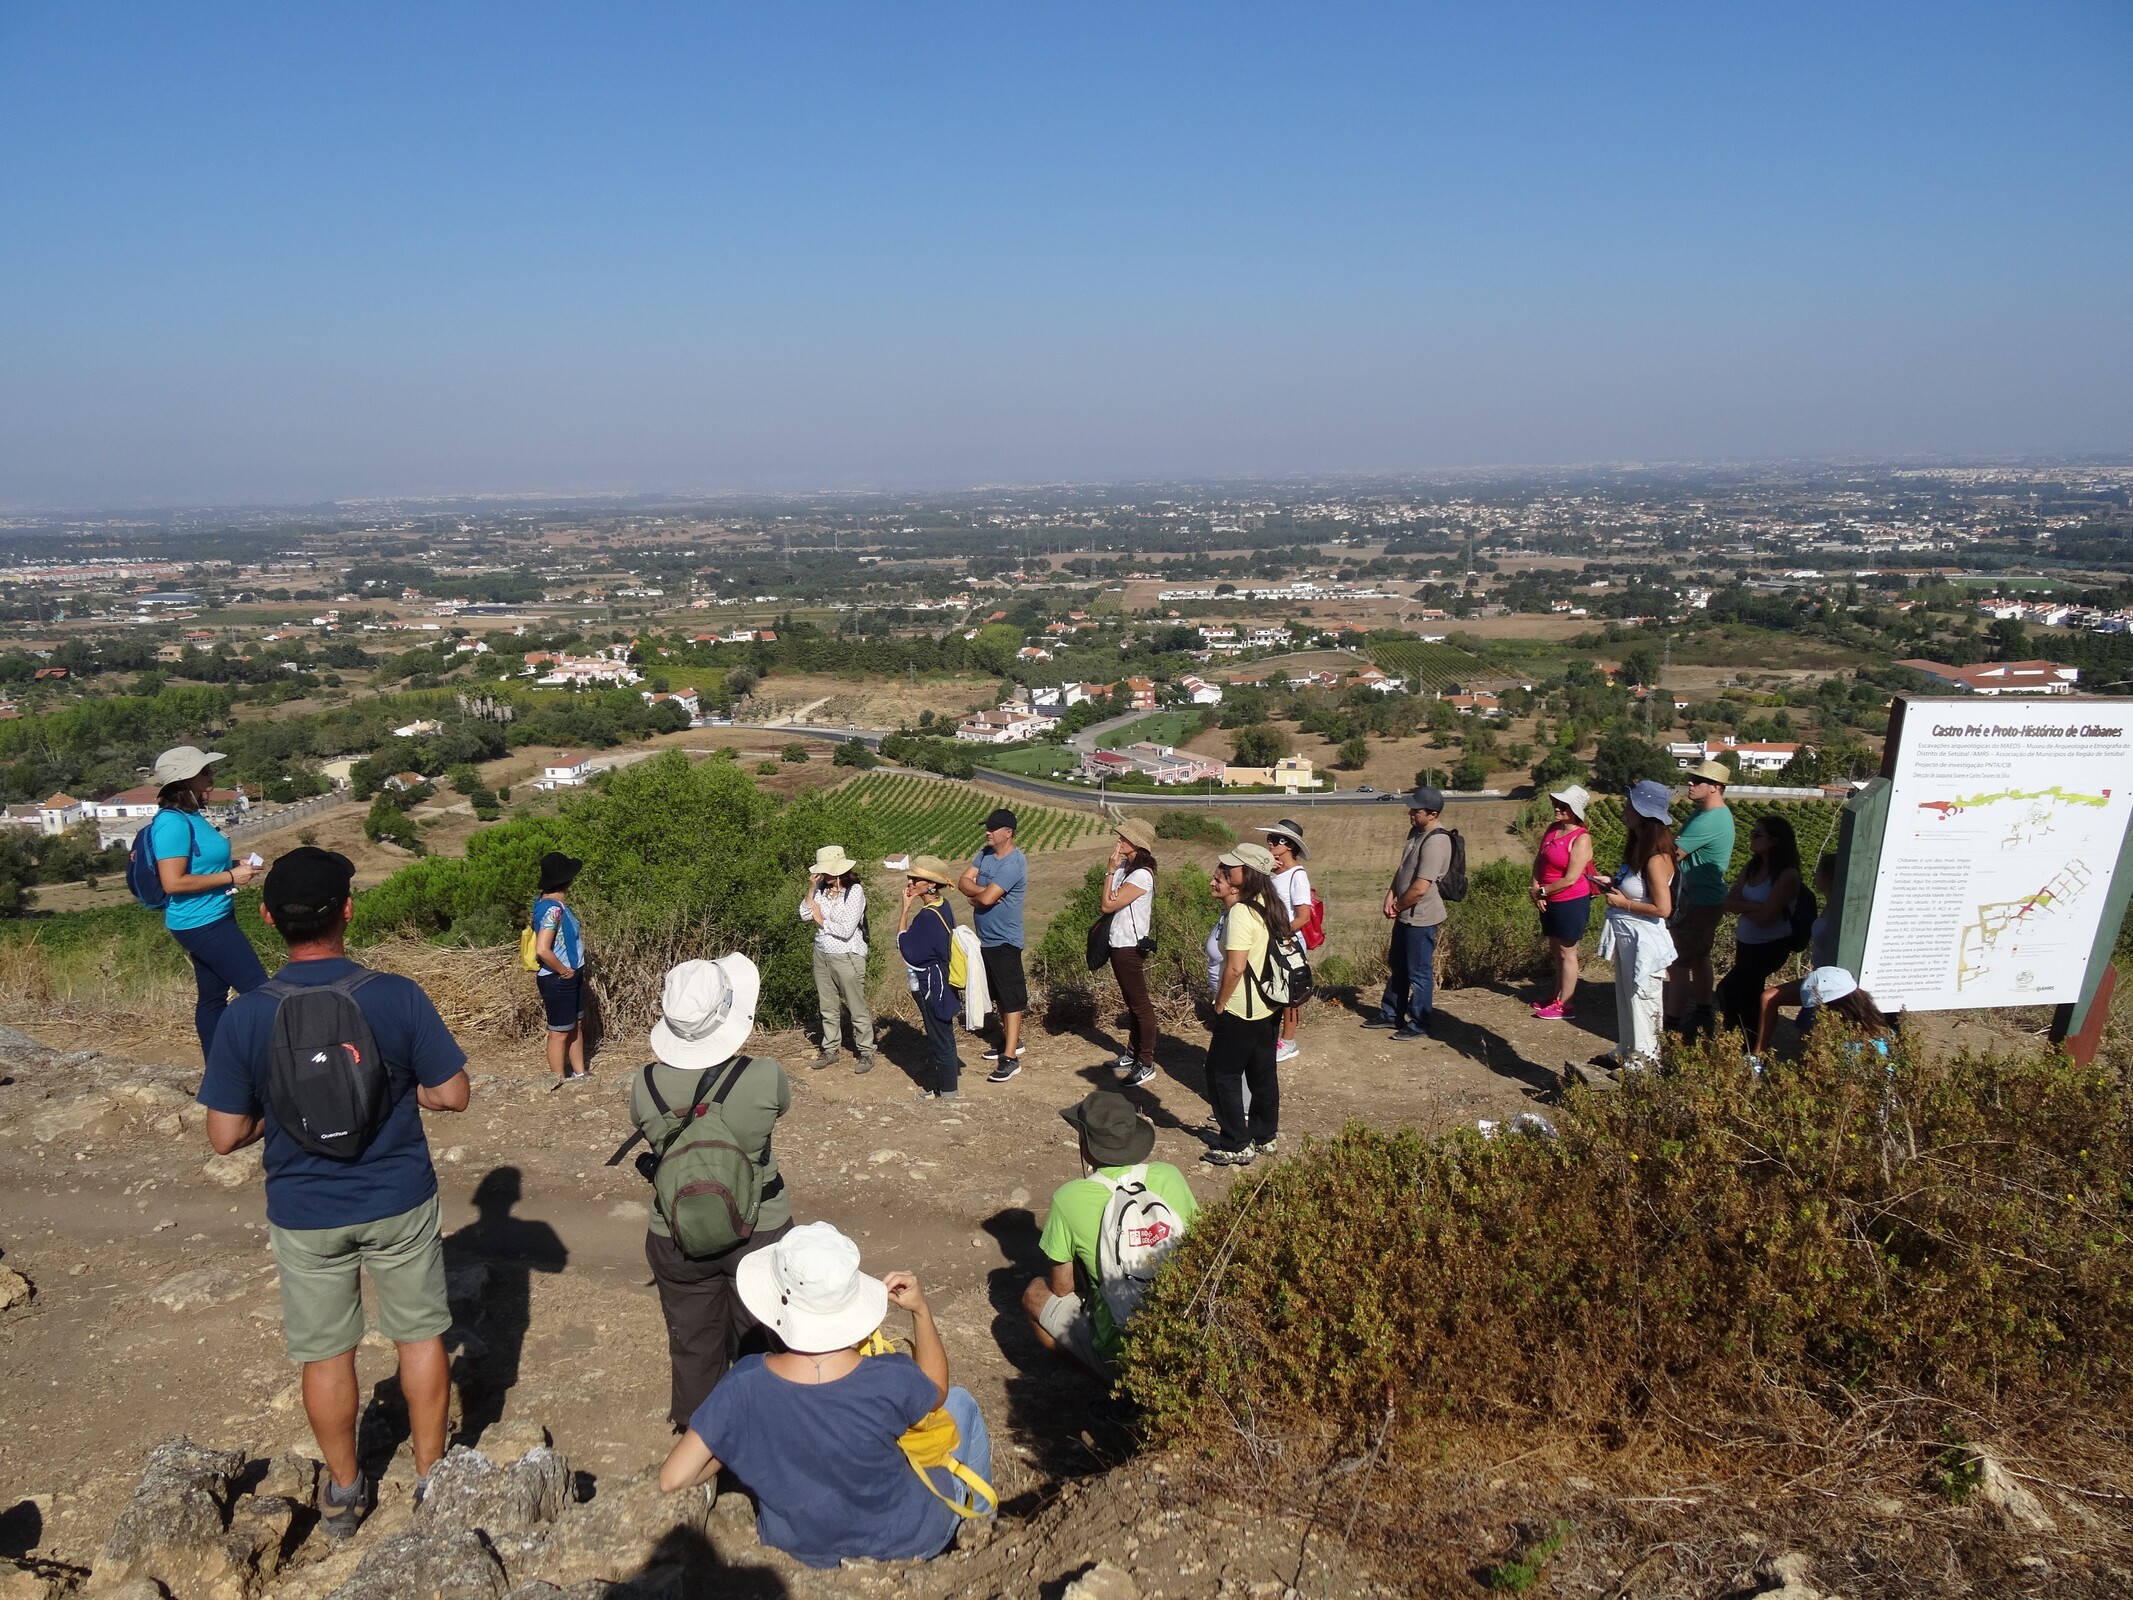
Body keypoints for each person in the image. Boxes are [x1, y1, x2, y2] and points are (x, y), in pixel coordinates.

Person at [195, 847, 470, 1537]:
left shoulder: (246, 1016)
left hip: (305, 1209)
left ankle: (345, 1492)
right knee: (420, 1337)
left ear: (266, 918)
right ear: (347, 909)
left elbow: (223, 1136)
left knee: (326, 1354)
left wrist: (272, 1114)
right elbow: (452, 1093)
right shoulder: (396, 995)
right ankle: (433, 1479)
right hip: (398, 1196)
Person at [659, 1223, 993, 1569]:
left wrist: (735, 1439)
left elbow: (674, 1478)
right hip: (909, 1537)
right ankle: (984, 1529)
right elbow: (936, 1391)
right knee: (961, 1403)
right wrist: (921, 1311)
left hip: (800, 1550)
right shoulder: (888, 1376)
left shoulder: (743, 1386)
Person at [631, 955, 794, 1430]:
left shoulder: (645, 1085)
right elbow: (778, 1109)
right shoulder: (764, 1076)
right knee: (765, 1342)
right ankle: (764, 1440)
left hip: (675, 1232)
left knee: (692, 1346)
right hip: (758, 1229)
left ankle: (700, 1451)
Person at [1024, 1090, 1198, 1378]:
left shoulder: (1069, 1198)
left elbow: (1062, 1288)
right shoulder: (1170, 1176)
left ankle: (1111, 1385)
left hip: (1123, 1351)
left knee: (1035, 1294)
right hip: (1185, 1336)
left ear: (1086, 1147)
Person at [146, 744, 268, 1061]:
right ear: (186, 780)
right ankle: (266, 1065)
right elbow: (172, 882)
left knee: (212, 998)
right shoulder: (172, 822)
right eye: (205, 772)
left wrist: (233, 866)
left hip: (211, 917)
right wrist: (230, 878)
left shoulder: (191, 815)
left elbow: (200, 864)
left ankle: (218, 1069)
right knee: (261, 992)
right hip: (202, 923)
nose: (212, 777)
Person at [1203, 842, 1291, 1165]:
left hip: (1242, 1008)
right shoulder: (1269, 902)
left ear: (1247, 874)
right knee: (1262, 1072)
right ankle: (1264, 1136)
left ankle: (1236, 1142)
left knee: (1220, 1073)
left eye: (1232, 867)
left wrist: (1219, 1004)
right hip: (1269, 1007)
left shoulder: (1241, 912)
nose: (1225, 871)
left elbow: (1236, 967)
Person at [1596, 780, 1678, 1072]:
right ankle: (1628, 1049)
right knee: (1627, 994)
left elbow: (1663, 908)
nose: (1625, 810)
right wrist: (1614, 884)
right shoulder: (1640, 850)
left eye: (1631, 805)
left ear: (1645, 812)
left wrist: (1623, 904)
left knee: (1643, 997)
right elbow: (1638, 889)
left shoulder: (1655, 857)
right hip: (1630, 935)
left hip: (1644, 938)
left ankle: (1645, 1060)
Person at [1365, 787, 1452, 1042]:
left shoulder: (1436, 841)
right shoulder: (1416, 832)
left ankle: (1419, 1022)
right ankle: (1391, 1013)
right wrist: (1390, 894)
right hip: (1406, 913)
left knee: (1419, 972)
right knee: (1399, 966)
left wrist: (1398, 905)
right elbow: (1403, 870)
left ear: (1432, 814)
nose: (1411, 813)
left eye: (1417, 810)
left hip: (1421, 917)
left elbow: (1420, 888)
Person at [1665, 760, 1736, 1039]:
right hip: (1708, 899)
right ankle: (1704, 1012)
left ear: (1715, 788)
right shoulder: (1709, 815)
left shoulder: (1708, 819)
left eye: (1698, 781)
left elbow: (1673, 854)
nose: (1690, 784)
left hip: (1696, 902)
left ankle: (1672, 1024)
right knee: (1700, 956)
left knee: (1678, 962)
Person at [958, 809, 1029, 1083]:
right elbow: (964, 881)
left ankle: (1010, 1058)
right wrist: (980, 894)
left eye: (992, 829)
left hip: (1005, 939)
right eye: (987, 828)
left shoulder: (1014, 863)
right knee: (999, 994)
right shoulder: (985, 854)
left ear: (1007, 832)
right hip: (986, 938)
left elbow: (986, 899)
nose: (987, 832)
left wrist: (978, 898)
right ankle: (1010, 1041)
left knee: (1011, 998)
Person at [1716, 813, 1803, 1037]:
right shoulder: (1752, 867)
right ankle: (1747, 1047)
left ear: (1775, 841)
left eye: (1757, 834)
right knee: (1749, 995)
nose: (1751, 838)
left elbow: (1766, 919)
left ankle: (1741, 1043)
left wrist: (1744, 906)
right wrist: (1756, 906)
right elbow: (1728, 902)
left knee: (1728, 989)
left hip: (1770, 947)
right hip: (1746, 943)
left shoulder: (1787, 875)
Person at [799, 844, 875, 1073]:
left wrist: (821, 920)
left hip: (847, 955)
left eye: (826, 871)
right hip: (821, 953)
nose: (823, 875)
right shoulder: (822, 888)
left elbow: (846, 930)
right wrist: (811, 889)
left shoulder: (855, 892)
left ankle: (866, 1052)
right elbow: (803, 913)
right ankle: (830, 1049)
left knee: (856, 1006)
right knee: (827, 1005)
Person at [1756, 855, 1838, 1054]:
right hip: (1818, 978)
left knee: (1807, 1038)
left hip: (1830, 983)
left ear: (1827, 878)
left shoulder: (1841, 910)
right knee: (1769, 998)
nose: (1814, 876)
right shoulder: (1830, 904)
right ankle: (1758, 1055)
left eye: (1818, 872)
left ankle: (1759, 1057)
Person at [897, 855, 963, 1101]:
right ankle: (947, 1087)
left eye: (916, 879)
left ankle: (947, 1093)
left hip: (931, 986)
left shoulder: (926, 917)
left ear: (931, 885)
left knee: (939, 1036)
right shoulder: (942, 906)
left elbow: (904, 946)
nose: (910, 882)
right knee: (942, 1033)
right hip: (943, 981)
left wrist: (904, 909)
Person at [1100, 819, 1160, 1088]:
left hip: (1129, 946)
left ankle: (1145, 1063)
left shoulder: (1141, 875)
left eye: (1124, 837)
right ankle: (1132, 1054)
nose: (1118, 840)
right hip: (1119, 943)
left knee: (1141, 1007)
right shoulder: (1128, 868)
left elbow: (1107, 904)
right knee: (1133, 1005)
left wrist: (1109, 872)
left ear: (1137, 843)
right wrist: (1116, 870)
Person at [1528, 785, 1595, 1022]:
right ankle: (1557, 996)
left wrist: (1542, 891)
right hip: (1548, 899)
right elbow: (1539, 860)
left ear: (1574, 810)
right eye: (1557, 803)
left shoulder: (1581, 838)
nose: (1557, 808)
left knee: (1568, 952)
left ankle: (1566, 1004)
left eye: (1563, 805)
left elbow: (1571, 878)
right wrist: (1536, 889)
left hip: (1570, 900)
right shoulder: (1552, 829)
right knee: (1556, 949)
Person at [530, 852, 589, 1083]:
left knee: (575, 1025)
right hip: (558, 978)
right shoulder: (553, 910)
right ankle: (556, 1080)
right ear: (567, 881)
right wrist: (563, 970)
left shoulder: (551, 905)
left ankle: (580, 1073)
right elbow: (542, 949)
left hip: (570, 974)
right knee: (559, 1031)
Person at [1260, 819, 1312, 1063]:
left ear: (1289, 845)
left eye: (1276, 840)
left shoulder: (1297, 876)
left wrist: (1281, 934)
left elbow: (1304, 916)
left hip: (1288, 943)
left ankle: (1288, 1042)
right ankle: (1276, 1040)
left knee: (1290, 995)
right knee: (1275, 990)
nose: (1270, 843)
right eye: (1269, 839)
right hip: (1273, 941)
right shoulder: (1274, 874)